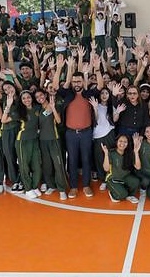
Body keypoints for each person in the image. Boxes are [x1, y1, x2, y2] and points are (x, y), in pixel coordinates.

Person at [55, 58, 96, 199]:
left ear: (83, 82)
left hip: (86, 132)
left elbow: (101, 86)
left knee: (86, 159)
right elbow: (56, 87)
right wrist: (62, 68)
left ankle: (86, 185)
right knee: (71, 160)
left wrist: (91, 70)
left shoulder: (88, 94)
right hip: (70, 134)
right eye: (74, 81)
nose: (76, 84)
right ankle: (73, 187)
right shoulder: (68, 94)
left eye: (79, 81)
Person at [16, 89, 43, 198]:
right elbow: (3, 120)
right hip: (22, 141)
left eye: (28, 97)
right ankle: (28, 188)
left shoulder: (37, 108)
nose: (26, 100)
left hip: (35, 140)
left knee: (37, 164)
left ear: (32, 98)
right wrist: (8, 106)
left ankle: (35, 186)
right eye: (23, 98)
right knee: (24, 166)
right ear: (21, 100)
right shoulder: (19, 111)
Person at [102, 133, 141, 203]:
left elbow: (138, 167)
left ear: (128, 144)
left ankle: (130, 195)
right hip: (113, 179)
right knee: (122, 195)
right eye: (120, 141)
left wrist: (136, 152)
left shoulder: (129, 153)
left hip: (124, 177)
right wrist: (106, 154)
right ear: (116, 142)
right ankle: (113, 193)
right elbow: (106, 169)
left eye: (125, 142)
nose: (122, 143)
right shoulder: (111, 153)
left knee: (136, 181)